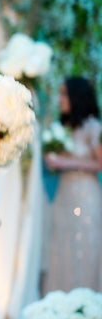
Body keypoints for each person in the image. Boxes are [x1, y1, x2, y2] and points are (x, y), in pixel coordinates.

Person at [43, 77, 102, 294]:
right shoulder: (64, 127)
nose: (60, 99)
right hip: (65, 194)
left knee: (86, 248)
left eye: (64, 94)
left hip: (86, 196)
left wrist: (64, 162)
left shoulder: (93, 126)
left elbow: (100, 163)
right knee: (63, 247)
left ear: (77, 97)